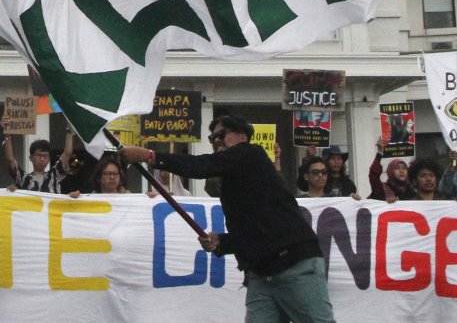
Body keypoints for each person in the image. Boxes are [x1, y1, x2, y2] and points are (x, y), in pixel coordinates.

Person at [119, 114, 335, 323]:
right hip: (261, 273)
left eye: (222, 134)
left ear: (242, 135)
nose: (216, 141)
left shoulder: (251, 153)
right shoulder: (232, 184)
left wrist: (150, 156)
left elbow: (201, 165)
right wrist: (222, 242)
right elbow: (255, 229)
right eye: (212, 138)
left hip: (294, 264)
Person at [2, 124, 70, 193]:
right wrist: (7, 136)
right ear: (30, 157)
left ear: (49, 159)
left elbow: (67, 153)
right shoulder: (24, 178)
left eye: (45, 156)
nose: (42, 159)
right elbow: (10, 160)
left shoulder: (55, 175)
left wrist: (69, 129)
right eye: (39, 155)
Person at [367, 136, 414, 202]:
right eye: (397, 168)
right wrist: (380, 152)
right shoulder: (382, 189)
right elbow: (373, 175)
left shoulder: (412, 191)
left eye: (404, 168)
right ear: (390, 172)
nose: (401, 171)